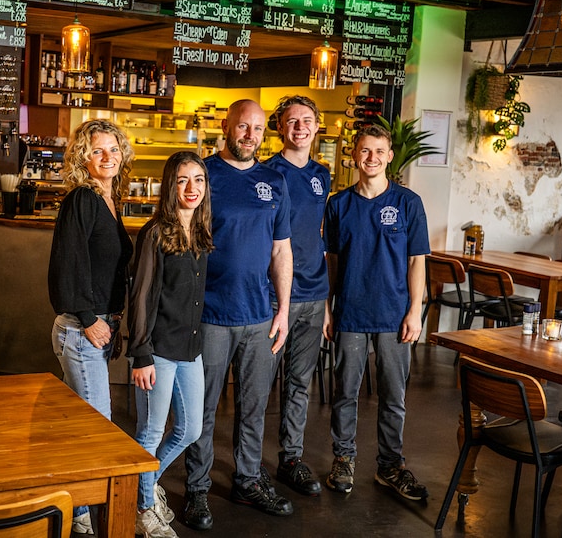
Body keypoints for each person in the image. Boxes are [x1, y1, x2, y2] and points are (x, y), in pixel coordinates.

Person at [183, 99, 294, 530]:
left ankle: (247, 480)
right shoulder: (204, 175)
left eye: (258, 128)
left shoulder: (275, 181)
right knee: (202, 409)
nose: (250, 135)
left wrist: (282, 309)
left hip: (258, 316)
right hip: (209, 313)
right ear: (226, 126)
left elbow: (280, 250)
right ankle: (196, 489)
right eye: (242, 126)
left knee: (254, 406)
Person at [323, 123, 430, 503]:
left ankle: (390, 465)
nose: (371, 158)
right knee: (345, 392)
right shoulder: (338, 204)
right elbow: (332, 261)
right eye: (364, 151)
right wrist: (327, 308)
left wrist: (415, 312)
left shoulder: (408, 203)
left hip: (394, 314)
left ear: (389, 156)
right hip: (350, 312)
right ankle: (344, 459)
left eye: (378, 151)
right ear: (354, 154)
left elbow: (417, 262)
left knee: (393, 395)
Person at [48, 119, 135, 535]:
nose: (108, 158)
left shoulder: (110, 198)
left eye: (114, 150)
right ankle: (81, 514)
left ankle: (69, 506)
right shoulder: (82, 199)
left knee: (79, 426)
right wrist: (88, 319)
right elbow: (67, 262)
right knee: (97, 427)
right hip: (81, 329)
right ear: (83, 156)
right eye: (98, 151)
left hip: (97, 327)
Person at [128, 151, 213, 538]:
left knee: (191, 429)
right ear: (170, 185)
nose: (191, 188)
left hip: (190, 350)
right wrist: (141, 354)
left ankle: (138, 487)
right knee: (149, 433)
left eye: (198, 179)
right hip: (158, 351)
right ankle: (143, 509)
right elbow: (142, 296)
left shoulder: (200, 230)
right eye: (182, 180)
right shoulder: (155, 232)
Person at [263, 96, 330, 497]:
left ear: (317, 126)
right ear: (280, 127)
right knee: (261, 383)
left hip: (315, 294)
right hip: (274, 297)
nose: (300, 127)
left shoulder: (322, 175)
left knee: (299, 383)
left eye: (307, 120)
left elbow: (317, 236)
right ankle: (249, 463)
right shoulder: (267, 172)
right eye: (292, 121)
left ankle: (290, 458)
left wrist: (326, 306)